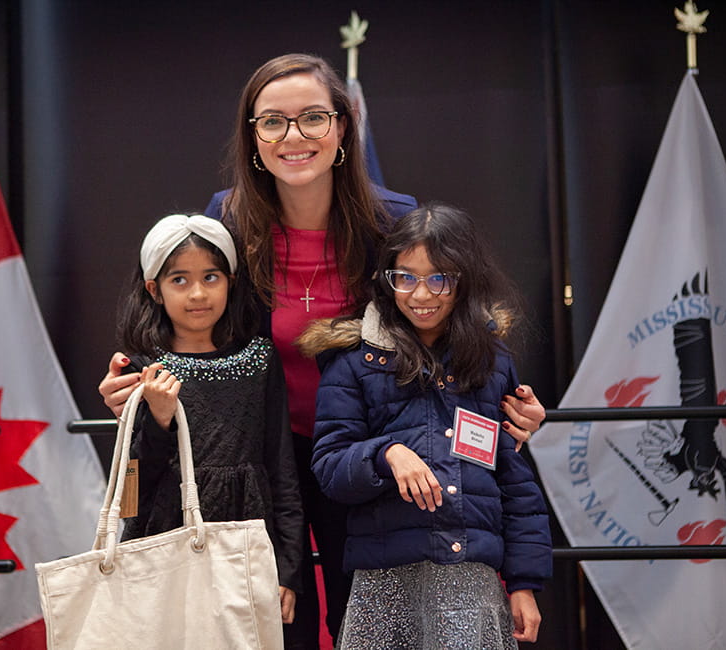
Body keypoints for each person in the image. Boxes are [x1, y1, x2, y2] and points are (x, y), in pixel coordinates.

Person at [99, 53, 547, 649]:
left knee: (360, 622)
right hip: (255, 458)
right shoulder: (224, 220)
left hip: (366, 450)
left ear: (342, 127)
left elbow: (443, 330)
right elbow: (189, 334)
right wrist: (134, 390)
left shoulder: (394, 219)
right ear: (252, 137)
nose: (294, 136)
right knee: (269, 626)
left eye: (313, 117)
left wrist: (508, 406)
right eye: (273, 122)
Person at [299, 202, 552, 649]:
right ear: (387, 278)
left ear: (465, 281)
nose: (421, 294)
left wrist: (524, 583)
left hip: (471, 582)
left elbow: (516, 484)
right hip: (383, 583)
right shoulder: (353, 363)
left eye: (439, 278)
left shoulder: (493, 363)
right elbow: (330, 468)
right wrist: (386, 454)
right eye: (406, 277)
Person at [115, 213, 304, 633]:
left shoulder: (259, 360)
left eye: (211, 277)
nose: (197, 293)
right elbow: (131, 494)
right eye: (179, 280)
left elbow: (282, 469)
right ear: (154, 290)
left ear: (231, 280)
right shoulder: (142, 367)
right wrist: (159, 422)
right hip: (166, 541)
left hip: (247, 539)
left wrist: (289, 568)